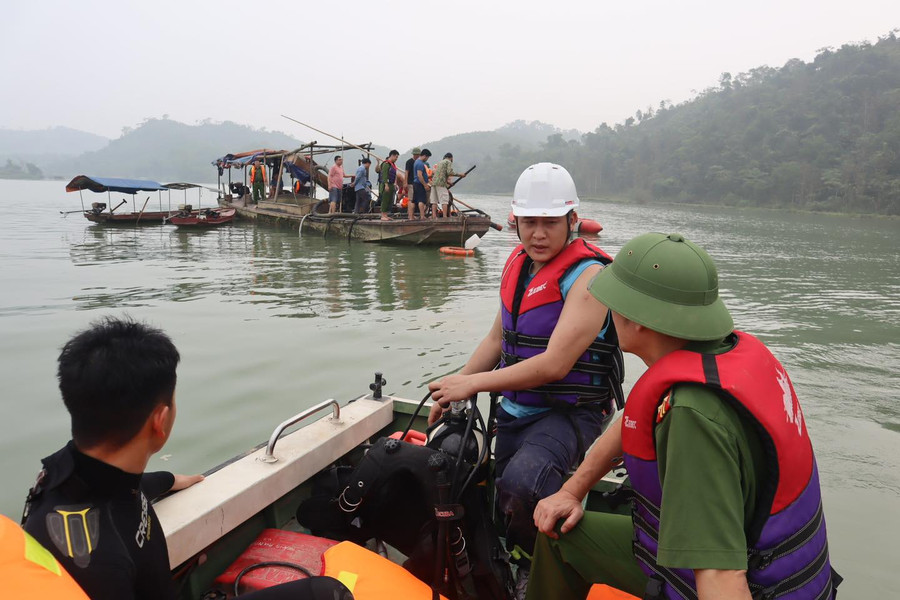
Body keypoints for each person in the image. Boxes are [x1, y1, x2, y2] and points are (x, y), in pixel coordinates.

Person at [527, 233, 841, 600]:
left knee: (558, 541)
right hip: (792, 575)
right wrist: (570, 491)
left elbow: (722, 579)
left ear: (637, 319)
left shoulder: (691, 416)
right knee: (562, 528)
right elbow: (632, 421)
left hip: (753, 587)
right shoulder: (720, 357)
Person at [21, 318, 353, 600]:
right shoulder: (99, 565)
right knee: (327, 594)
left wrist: (171, 480)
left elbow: (124, 493)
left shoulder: (65, 477)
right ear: (160, 420)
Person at [428, 163, 624, 597]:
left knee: (524, 484)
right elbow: (498, 337)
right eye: (529, 222)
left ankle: (537, 569)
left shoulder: (590, 276)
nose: (538, 234)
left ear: (572, 221)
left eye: (550, 223)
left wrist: (473, 386)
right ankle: (509, 553)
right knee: (499, 488)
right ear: (515, 221)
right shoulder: (519, 263)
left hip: (570, 412)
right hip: (516, 407)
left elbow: (555, 364)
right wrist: (455, 386)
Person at [430, 152, 465, 218]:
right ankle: (445, 216)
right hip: (441, 183)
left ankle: (434, 216)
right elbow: (449, 172)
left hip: (434, 183)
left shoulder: (440, 162)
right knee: (445, 200)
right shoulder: (448, 162)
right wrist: (460, 174)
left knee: (434, 201)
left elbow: (440, 174)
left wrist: (448, 183)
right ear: (451, 158)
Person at [378, 150, 400, 221]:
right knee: (385, 199)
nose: (396, 159)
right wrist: (386, 185)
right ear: (392, 155)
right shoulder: (386, 164)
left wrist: (395, 184)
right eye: (396, 157)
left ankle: (386, 215)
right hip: (386, 184)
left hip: (391, 184)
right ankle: (383, 215)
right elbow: (384, 175)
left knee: (390, 200)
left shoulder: (392, 165)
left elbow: (394, 175)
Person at [410, 148, 432, 219]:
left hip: (416, 183)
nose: (427, 159)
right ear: (425, 156)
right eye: (428, 157)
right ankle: (422, 216)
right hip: (419, 184)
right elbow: (419, 175)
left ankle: (411, 216)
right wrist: (425, 185)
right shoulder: (420, 163)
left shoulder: (416, 162)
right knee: (421, 200)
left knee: (414, 201)